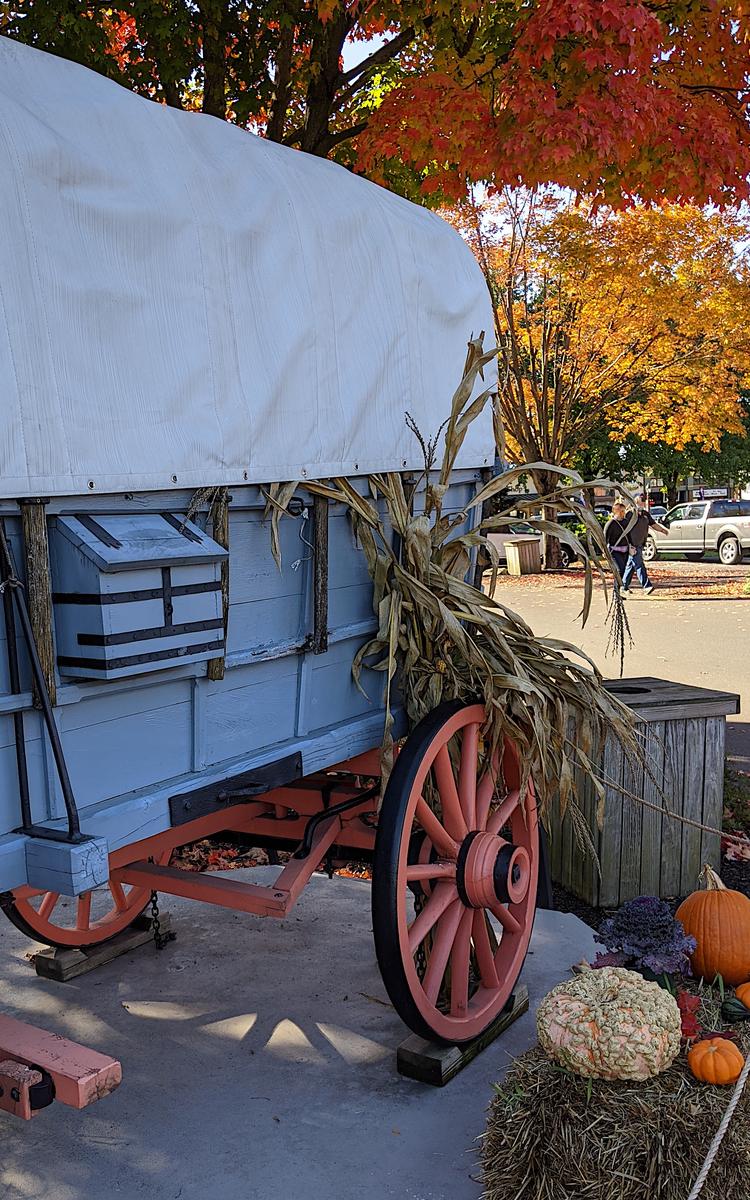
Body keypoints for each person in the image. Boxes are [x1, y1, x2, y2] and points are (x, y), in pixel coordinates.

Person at [622, 494, 668, 595]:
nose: (641, 503)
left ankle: (623, 586)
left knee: (630, 566)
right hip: (632, 545)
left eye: (643, 501)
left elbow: (653, 524)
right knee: (639, 565)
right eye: (639, 501)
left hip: (640, 544)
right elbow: (624, 531)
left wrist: (663, 530)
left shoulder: (645, 514)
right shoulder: (629, 514)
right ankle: (646, 586)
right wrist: (629, 545)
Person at [604, 501, 630, 579]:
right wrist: (604, 551)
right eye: (621, 511)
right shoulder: (611, 523)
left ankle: (623, 588)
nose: (623, 513)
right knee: (619, 570)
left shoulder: (626, 522)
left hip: (625, 550)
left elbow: (629, 535)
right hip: (614, 550)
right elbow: (605, 538)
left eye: (624, 511)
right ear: (616, 511)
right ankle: (616, 590)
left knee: (626, 570)